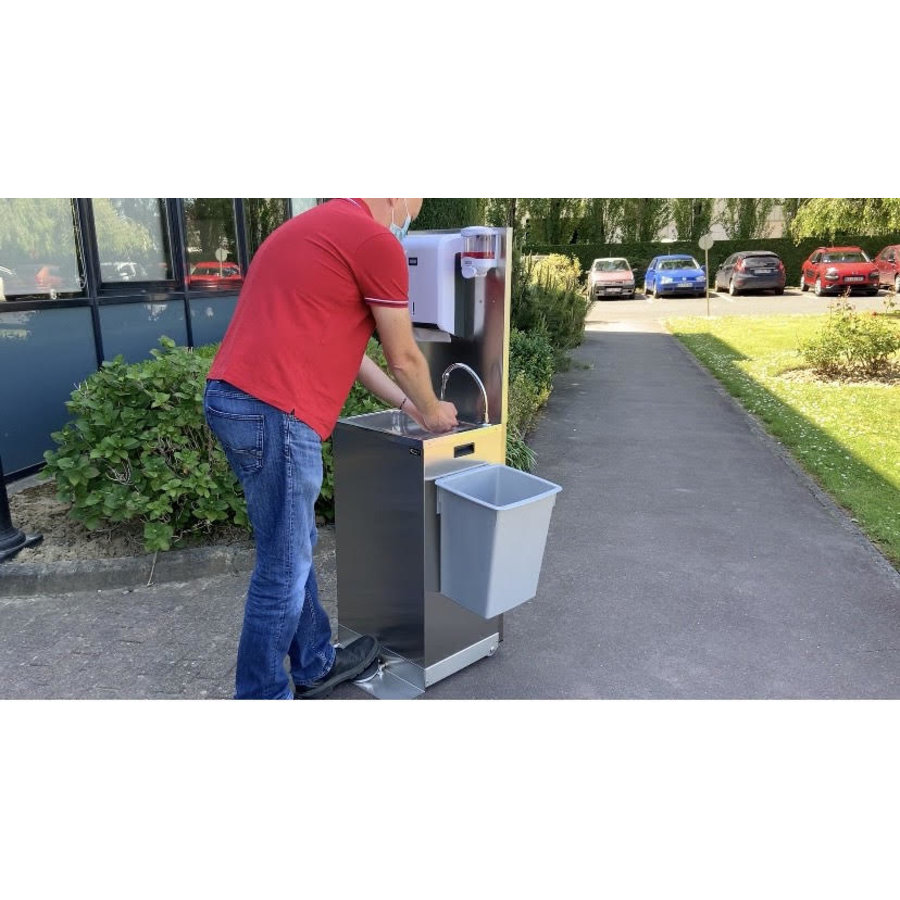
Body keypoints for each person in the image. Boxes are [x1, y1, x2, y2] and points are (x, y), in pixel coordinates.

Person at [203, 198, 458, 700]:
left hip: (233, 399)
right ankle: (260, 697)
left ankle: (315, 660)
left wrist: (408, 405)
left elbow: (355, 352)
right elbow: (403, 354)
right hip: (276, 410)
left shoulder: (313, 226)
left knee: (290, 546)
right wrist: (433, 410)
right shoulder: (376, 242)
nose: (412, 217)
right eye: (416, 203)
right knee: (284, 565)